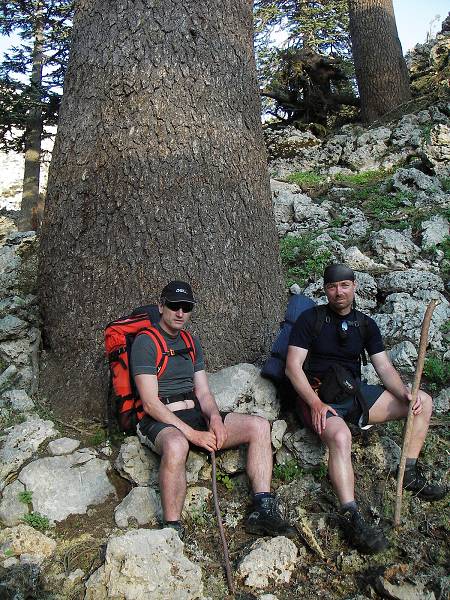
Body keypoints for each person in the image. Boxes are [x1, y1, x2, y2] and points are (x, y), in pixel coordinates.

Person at [285, 264, 445, 554]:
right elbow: (293, 367)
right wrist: (316, 403)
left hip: (354, 395)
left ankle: (407, 472)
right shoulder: (311, 320)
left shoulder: (365, 324)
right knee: (341, 436)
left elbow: (383, 366)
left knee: (423, 403)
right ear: (325, 289)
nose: (339, 292)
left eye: (345, 285)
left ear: (355, 286)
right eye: (333, 287)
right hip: (317, 397)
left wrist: (405, 394)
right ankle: (350, 513)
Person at [131, 280, 296, 539]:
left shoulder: (190, 341)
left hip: (195, 414)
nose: (180, 313)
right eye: (174, 306)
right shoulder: (145, 342)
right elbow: (150, 403)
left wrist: (216, 418)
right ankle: (172, 527)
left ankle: (262, 507)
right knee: (176, 445)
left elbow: (204, 392)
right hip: (160, 418)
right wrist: (192, 435)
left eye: (186, 307)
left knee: (259, 426)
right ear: (161, 306)